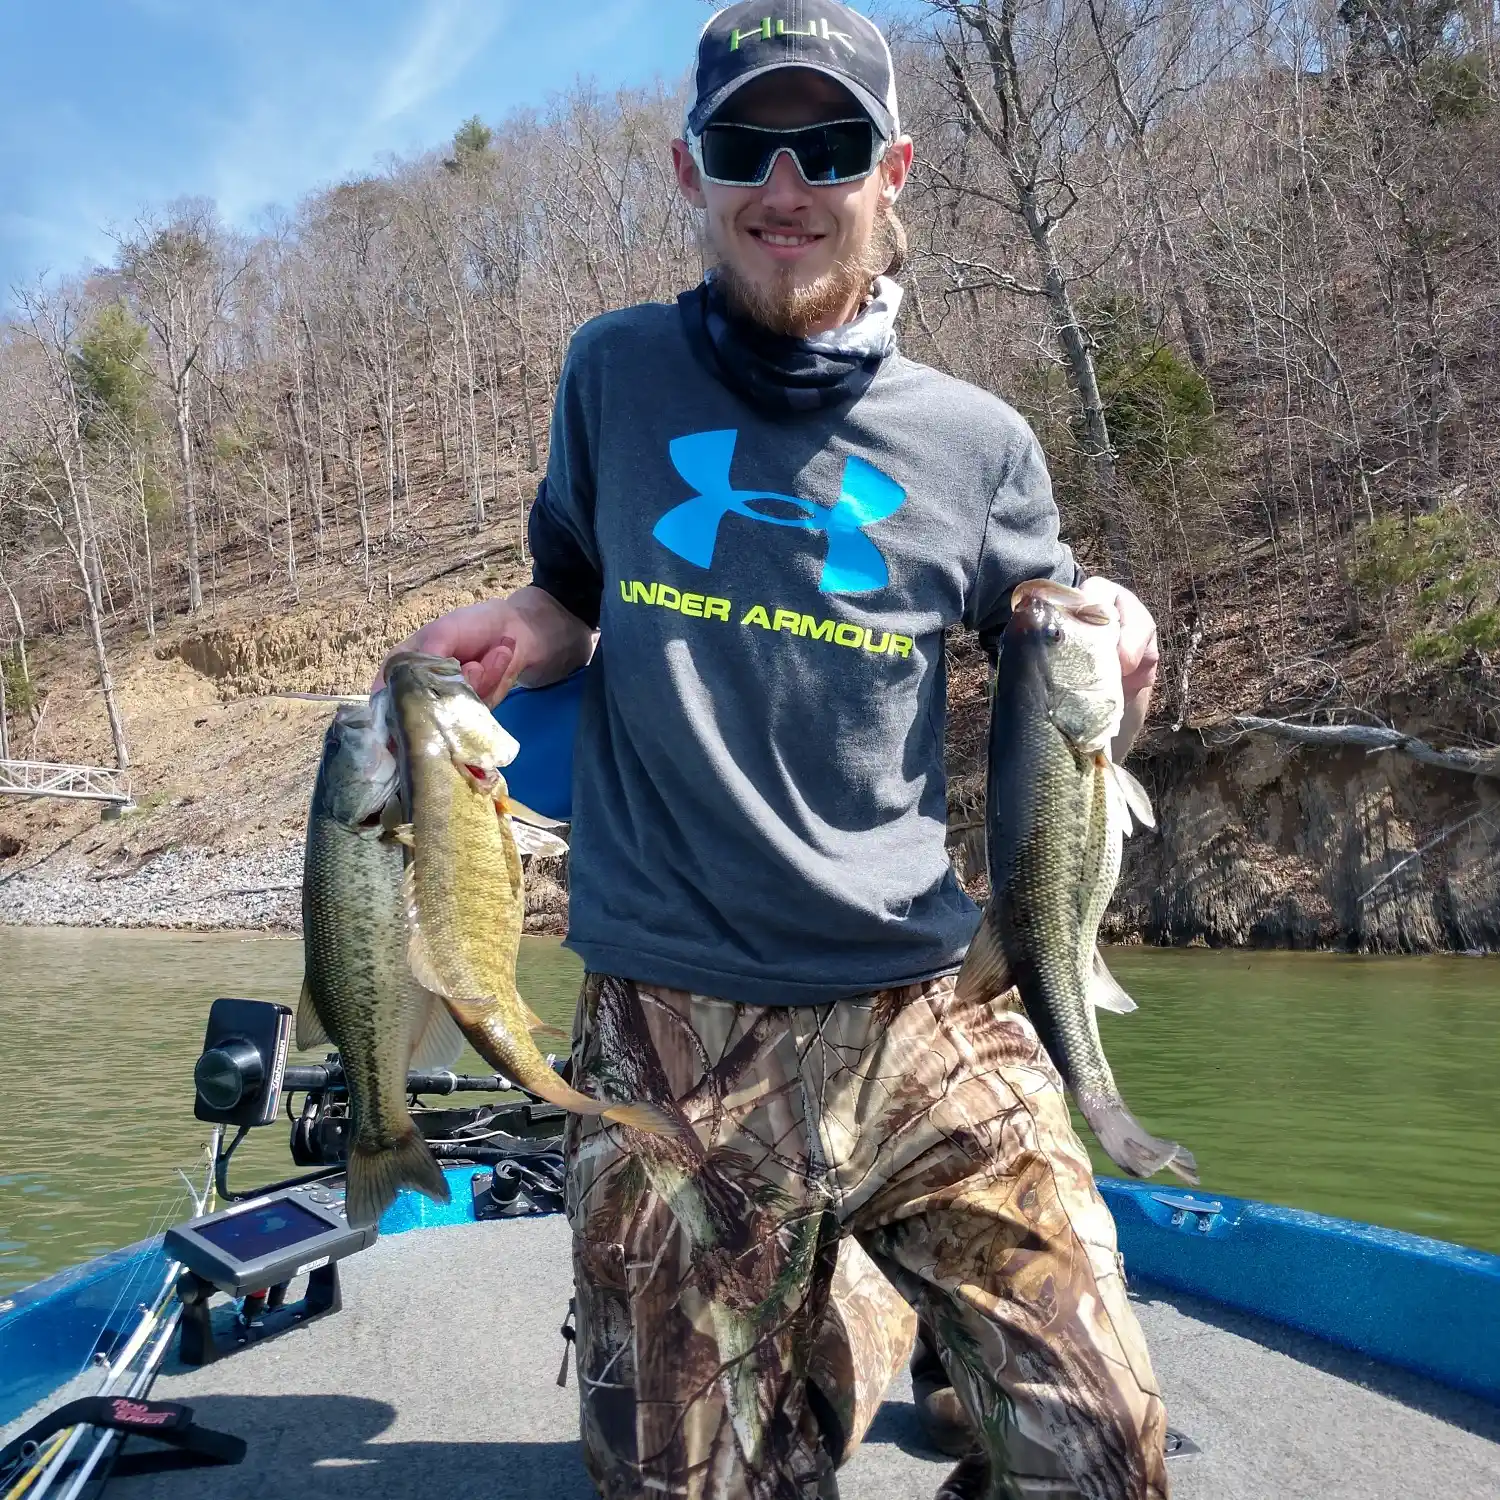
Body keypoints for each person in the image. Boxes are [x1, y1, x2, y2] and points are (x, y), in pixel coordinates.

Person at [378, 4, 1168, 1496]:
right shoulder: (611, 375)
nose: (785, 184)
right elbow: (575, 589)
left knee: (1104, 1460)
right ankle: (843, 1308)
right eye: (747, 145)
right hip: (674, 1019)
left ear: (896, 169)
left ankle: (846, 1296)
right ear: (691, 170)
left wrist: (1107, 601)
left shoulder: (980, 443)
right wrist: (527, 630)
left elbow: (1047, 618)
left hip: (925, 1002)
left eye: (830, 145)